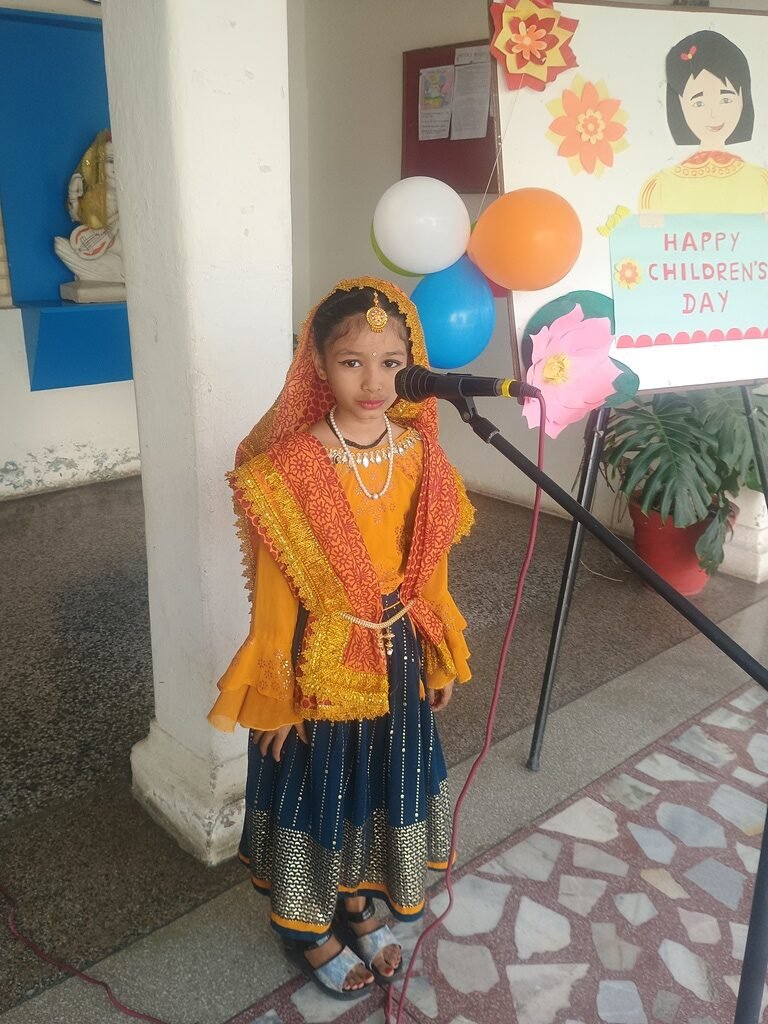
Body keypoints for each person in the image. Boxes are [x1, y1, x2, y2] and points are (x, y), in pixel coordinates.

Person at [208, 277, 474, 999]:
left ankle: (356, 902)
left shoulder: (420, 452)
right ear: (318, 366)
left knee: (378, 778)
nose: (373, 382)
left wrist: (440, 654)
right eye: (352, 361)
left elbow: (430, 569)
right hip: (319, 659)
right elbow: (276, 594)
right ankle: (306, 927)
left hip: (400, 653)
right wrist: (277, 695)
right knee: (316, 783)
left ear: (411, 367)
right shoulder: (290, 466)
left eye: (391, 363)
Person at [639, 30, 768, 214]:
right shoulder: (659, 188)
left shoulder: (762, 183)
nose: (713, 114)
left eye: (726, 100)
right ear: (680, 104)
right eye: (699, 103)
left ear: (743, 96)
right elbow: (648, 231)